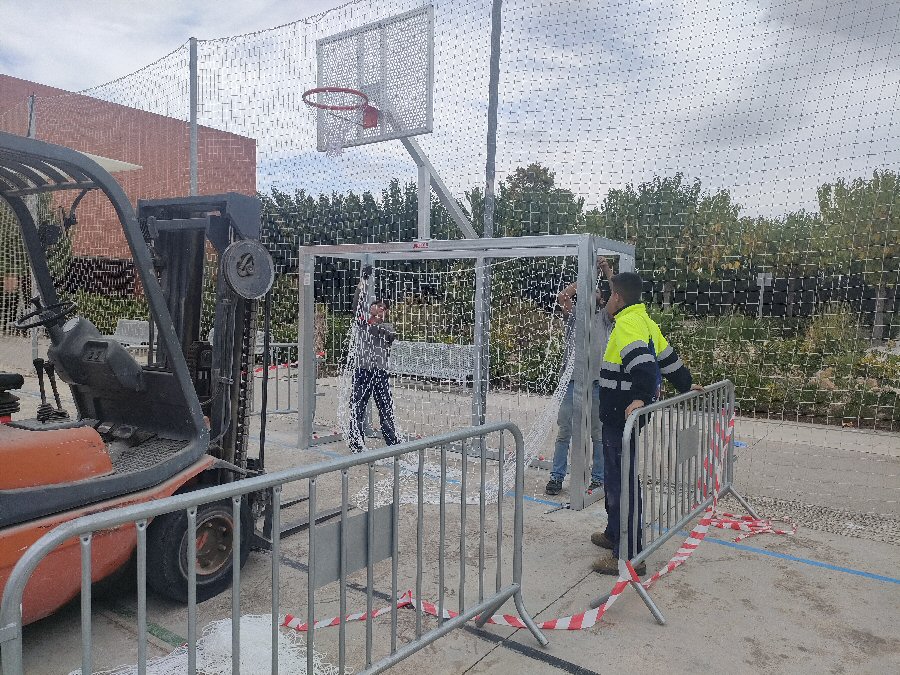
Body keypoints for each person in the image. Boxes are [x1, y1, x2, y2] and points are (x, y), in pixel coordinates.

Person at [591, 271, 701, 575]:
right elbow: (668, 360)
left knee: (622, 483)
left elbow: (645, 367)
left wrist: (640, 397)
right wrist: (686, 383)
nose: (606, 300)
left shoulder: (627, 324)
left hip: (620, 417)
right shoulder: (645, 321)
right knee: (615, 479)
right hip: (621, 417)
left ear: (617, 297)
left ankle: (628, 554)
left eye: (609, 295)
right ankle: (614, 533)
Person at [545, 257, 614, 496]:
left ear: (602, 300)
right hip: (571, 382)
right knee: (565, 431)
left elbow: (619, 296)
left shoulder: (604, 318)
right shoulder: (574, 315)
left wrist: (605, 270)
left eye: (597, 293)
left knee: (598, 433)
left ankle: (598, 478)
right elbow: (562, 296)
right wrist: (587, 277)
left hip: (596, 384)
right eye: (588, 292)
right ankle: (556, 477)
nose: (592, 295)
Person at [348, 265, 400, 453]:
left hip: (379, 373)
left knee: (385, 408)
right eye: (378, 305)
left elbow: (390, 335)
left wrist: (378, 325)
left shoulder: (387, 327)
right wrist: (363, 281)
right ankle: (356, 444)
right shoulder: (362, 321)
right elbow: (356, 304)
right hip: (362, 371)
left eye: (384, 308)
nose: (380, 309)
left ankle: (392, 442)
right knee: (357, 408)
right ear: (371, 307)